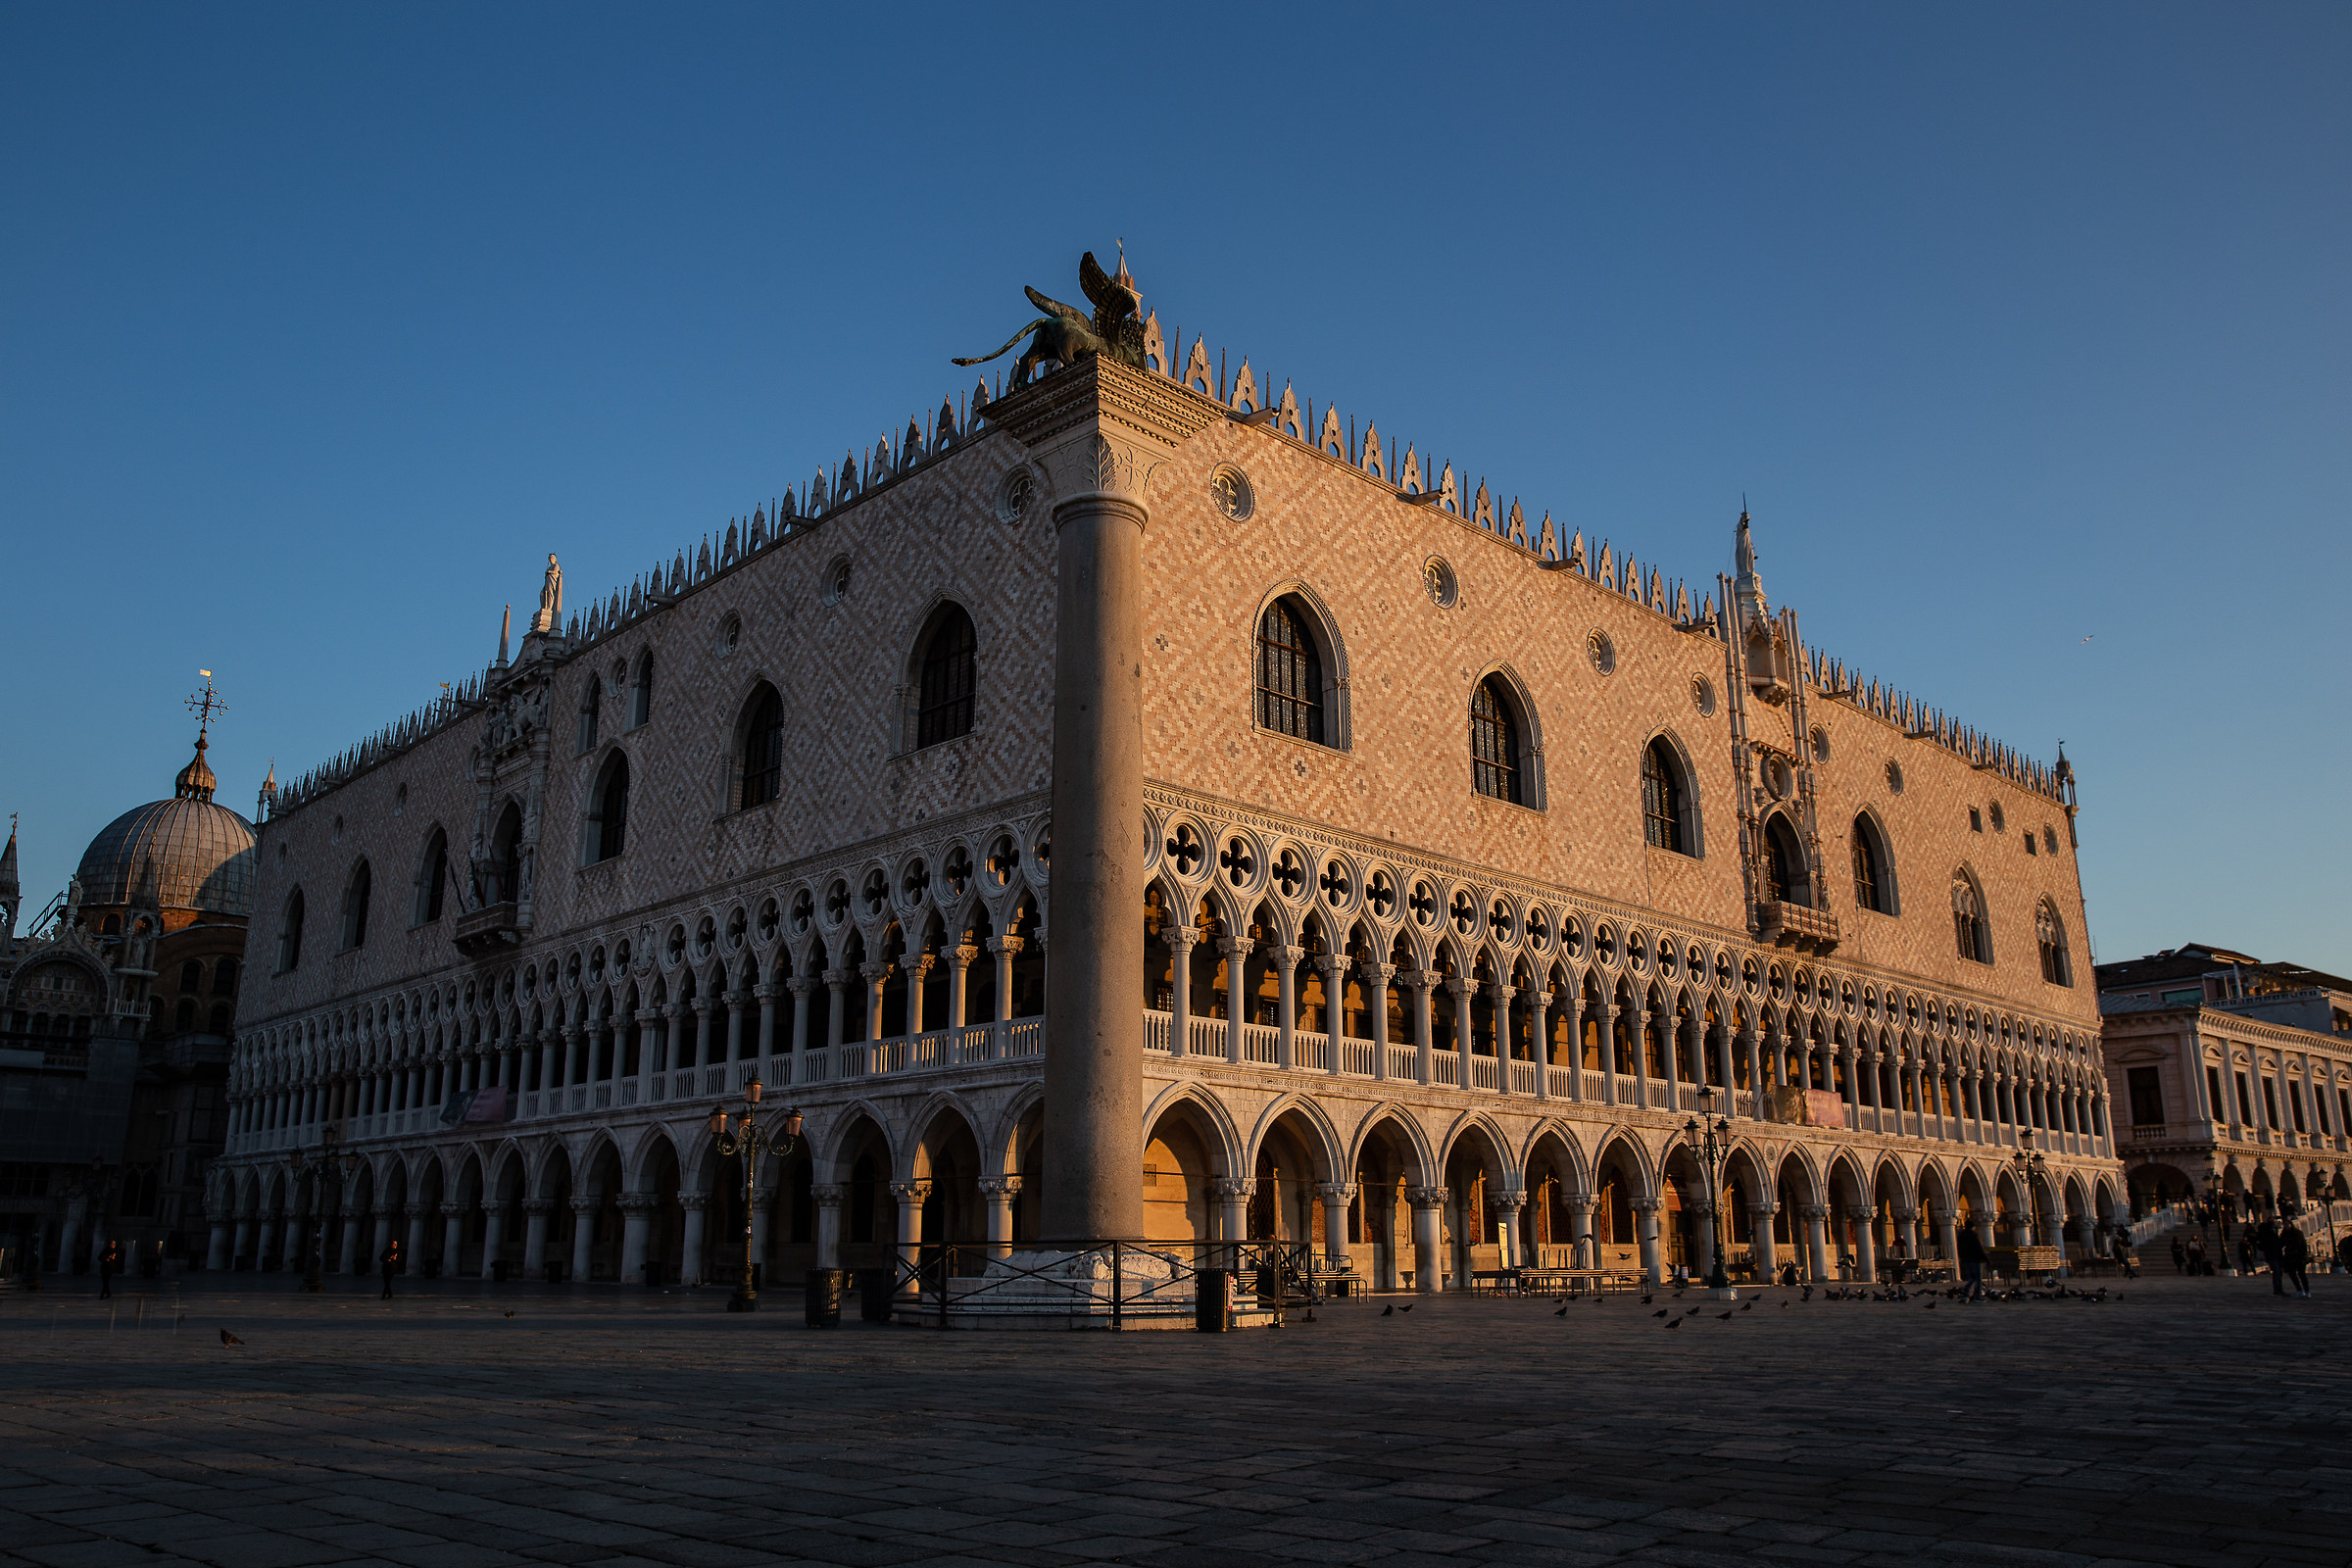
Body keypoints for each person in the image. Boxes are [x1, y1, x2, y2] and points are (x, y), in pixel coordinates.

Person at [2278, 1224, 2311, 1298]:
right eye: (2285, 1225)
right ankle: (2299, 1290)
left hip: (2299, 1257)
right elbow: (2281, 1244)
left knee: (2302, 1275)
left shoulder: (2298, 1233)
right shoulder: (2284, 1234)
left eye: (2288, 1224)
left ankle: (2307, 1291)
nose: (2286, 1226)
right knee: (2292, 1274)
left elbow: (2303, 1245)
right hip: (2290, 1257)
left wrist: (2303, 1256)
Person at [1957, 1225, 1987, 1301]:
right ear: (1972, 1226)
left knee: (1972, 1277)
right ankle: (1977, 1295)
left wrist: (1962, 1258)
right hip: (1974, 1259)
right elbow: (1978, 1248)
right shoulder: (1973, 1236)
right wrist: (1985, 1259)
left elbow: (1959, 1248)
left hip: (1966, 1259)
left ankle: (1966, 1290)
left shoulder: (1961, 1236)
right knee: (1978, 1278)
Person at [2256, 1219, 2285, 1295]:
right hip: (2273, 1255)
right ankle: (2278, 1289)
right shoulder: (2269, 1233)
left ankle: (2278, 1289)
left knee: (2278, 1272)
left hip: (2274, 1254)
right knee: (2277, 1272)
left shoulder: (2271, 1232)